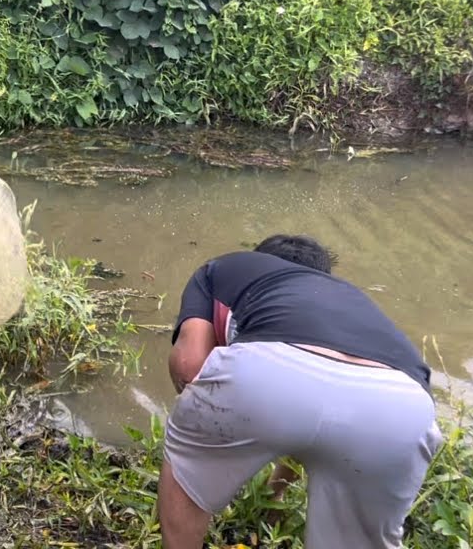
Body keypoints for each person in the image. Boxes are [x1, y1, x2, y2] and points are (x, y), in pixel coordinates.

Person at [157, 234, 443, 549]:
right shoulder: (351, 301)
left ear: (262, 261)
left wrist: (201, 438)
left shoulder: (223, 269)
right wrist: (273, 495)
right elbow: (312, 414)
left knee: (185, 479)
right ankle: (271, 508)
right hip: (403, 406)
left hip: (270, 371)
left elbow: (189, 366)